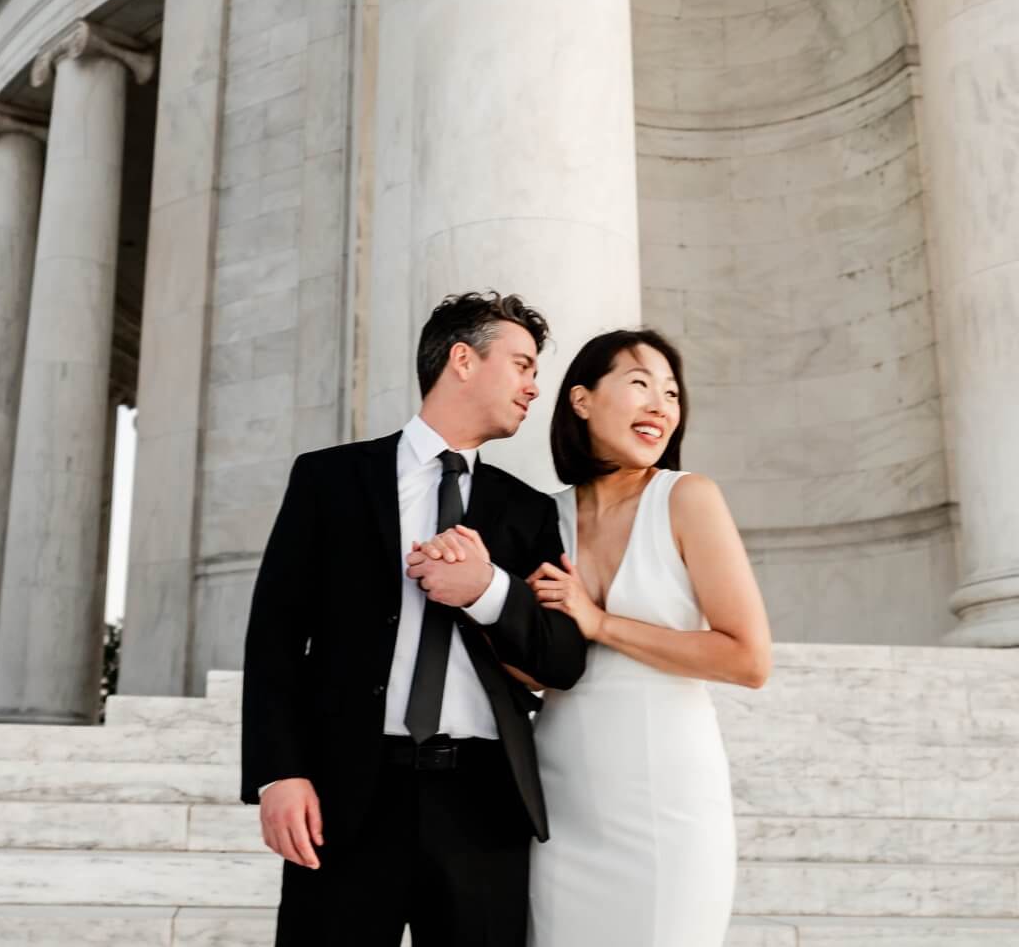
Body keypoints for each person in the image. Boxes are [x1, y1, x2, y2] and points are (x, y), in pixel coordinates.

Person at [240, 291, 588, 947]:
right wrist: (278, 772)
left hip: (483, 801)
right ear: (463, 359)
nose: (534, 387)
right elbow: (276, 638)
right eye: (521, 365)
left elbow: (561, 659)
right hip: (347, 795)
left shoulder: (529, 512)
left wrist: (486, 590)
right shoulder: (330, 479)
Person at [511, 328, 772, 947]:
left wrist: (599, 623)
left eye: (672, 393)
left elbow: (748, 658)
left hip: (668, 802)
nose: (660, 405)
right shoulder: (540, 517)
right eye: (639, 384)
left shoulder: (687, 498)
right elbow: (535, 670)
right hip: (562, 799)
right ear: (581, 400)